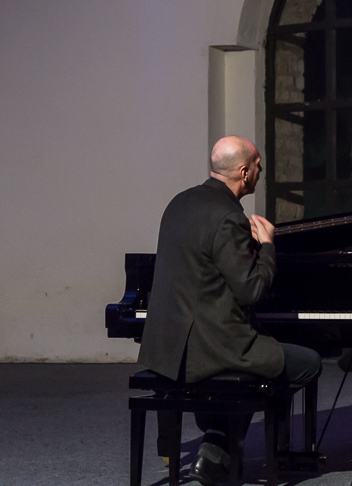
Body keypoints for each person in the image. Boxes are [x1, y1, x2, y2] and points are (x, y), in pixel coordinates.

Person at [137, 136, 321, 486]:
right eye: (258, 167)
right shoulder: (228, 217)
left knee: (261, 364)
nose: (260, 172)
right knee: (307, 363)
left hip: (170, 345)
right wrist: (267, 246)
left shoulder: (179, 203)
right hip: (213, 348)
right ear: (244, 172)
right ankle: (223, 444)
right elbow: (251, 291)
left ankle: (217, 442)